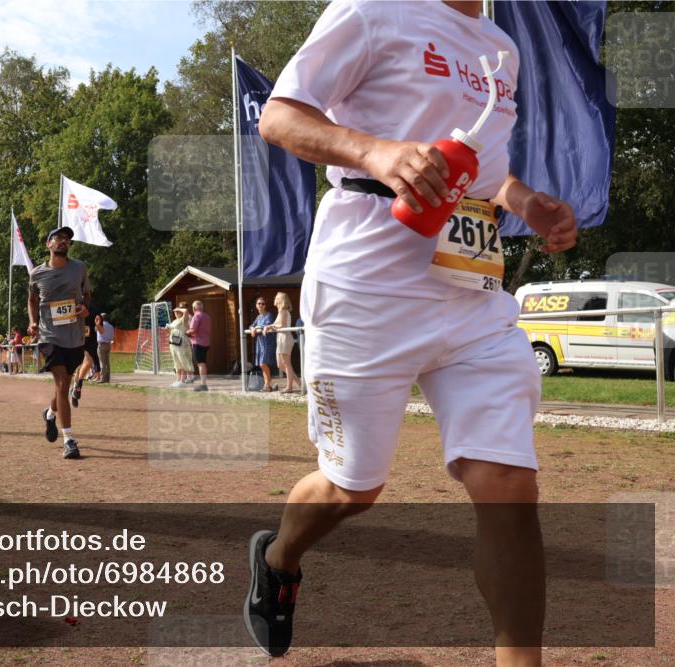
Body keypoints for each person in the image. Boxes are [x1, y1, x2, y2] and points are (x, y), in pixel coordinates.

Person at [242, 2, 577, 662]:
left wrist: (526, 202)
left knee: (507, 483)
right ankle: (279, 556)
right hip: (368, 280)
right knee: (353, 487)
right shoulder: (373, 10)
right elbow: (280, 115)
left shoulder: (500, 47)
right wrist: (377, 150)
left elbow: (485, 171)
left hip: (470, 288)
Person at [28, 226, 91, 460]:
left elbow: (87, 294)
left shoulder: (80, 268)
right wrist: (33, 322)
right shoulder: (37, 274)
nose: (63, 241)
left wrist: (85, 307)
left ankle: (50, 415)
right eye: (58, 238)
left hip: (74, 337)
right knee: (63, 383)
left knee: (62, 385)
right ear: (48, 244)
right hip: (49, 335)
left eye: (67, 239)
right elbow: (32, 300)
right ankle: (69, 440)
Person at [264, 292, 301, 393]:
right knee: (280, 364)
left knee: (286, 363)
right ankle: (299, 382)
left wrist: (269, 327)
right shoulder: (280, 312)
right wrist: (269, 327)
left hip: (285, 338)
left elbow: (282, 325)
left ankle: (289, 387)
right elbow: (277, 325)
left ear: (281, 300)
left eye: (276, 298)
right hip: (280, 338)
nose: (274, 299)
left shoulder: (284, 311)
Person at [248, 295, 277, 392]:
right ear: (256, 305)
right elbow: (252, 325)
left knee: (263, 363)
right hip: (260, 343)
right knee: (261, 364)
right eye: (259, 303)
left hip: (267, 342)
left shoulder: (269, 315)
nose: (260, 305)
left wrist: (256, 328)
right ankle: (267, 385)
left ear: (265, 305)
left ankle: (267, 384)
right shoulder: (258, 317)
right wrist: (252, 328)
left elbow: (267, 325)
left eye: (262, 304)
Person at [70, 311, 99, 408]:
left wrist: (98, 325)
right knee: (86, 364)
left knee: (83, 366)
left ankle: (75, 388)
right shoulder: (74, 309)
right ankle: (77, 388)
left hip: (89, 343)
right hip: (77, 342)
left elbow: (100, 331)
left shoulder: (94, 311)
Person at [166, 303, 194, 387]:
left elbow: (185, 310)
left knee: (182, 361)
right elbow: (171, 331)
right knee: (176, 363)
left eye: (177, 312)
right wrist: (168, 330)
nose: (175, 313)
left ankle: (183, 380)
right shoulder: (174, 321)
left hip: (182, 344)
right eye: (175, 312)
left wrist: (178, 309)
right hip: (174, 344)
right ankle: (178, 380)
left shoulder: (184, 319)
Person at [187, 300, 211, 391]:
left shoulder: (196, 316)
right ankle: (203, 384)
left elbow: (192, 330)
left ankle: (203, 385)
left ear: (194, 308)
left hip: (198, 342)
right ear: (202, 307)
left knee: (200, 364)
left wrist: (186, 332)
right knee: (203, 363)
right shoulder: (207, 316)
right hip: (206, 342)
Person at [95, 313, 115, 383]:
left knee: (102, 362)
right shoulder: (111, 326)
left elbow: (95, 330)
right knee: (107, 362)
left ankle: (103, 378)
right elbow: (112, 337)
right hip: (108, 344)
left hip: (101, 345)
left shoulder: (100, 325)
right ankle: (107, 378)